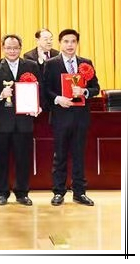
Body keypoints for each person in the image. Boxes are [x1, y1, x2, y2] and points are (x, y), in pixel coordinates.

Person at [0, 34, 42, 206]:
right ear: (3, 48)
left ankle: (22, 193)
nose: (12, 51)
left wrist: (38, 106)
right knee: (1, 159)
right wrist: (0, 94)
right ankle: (1, 192)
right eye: (8, 48)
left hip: (24, 121)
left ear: (20, 48)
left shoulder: (31, 66)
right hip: (2, 122)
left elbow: (40, 89)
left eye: (15, 48)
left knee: (23, 159)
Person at [42, 29, 100, 206]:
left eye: (73, 41)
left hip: (81, 118)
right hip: (60, 117)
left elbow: (96, 88)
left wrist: (84, 91)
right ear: (60, 43)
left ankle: (79, 192)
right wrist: (58, 99)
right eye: (66, 41)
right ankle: (58, 192)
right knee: (59, 156)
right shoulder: (51, 64)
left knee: (79, 156)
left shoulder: (86, 63)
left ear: (77, 43)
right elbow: (45, 90)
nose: (69, 45)